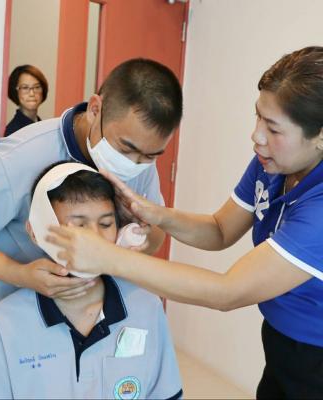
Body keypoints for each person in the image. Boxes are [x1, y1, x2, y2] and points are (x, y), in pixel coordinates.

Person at [45, 46, 323, 399]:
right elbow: (220, 229)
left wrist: (108, 257)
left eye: (273, 128)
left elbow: (228, 292)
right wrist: (155, 213)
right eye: (258, 116)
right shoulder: (273, 162)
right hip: (282, 339)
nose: (257, 136)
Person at [0, 58, 183, 361]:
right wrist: (20, 274)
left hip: (90, 317)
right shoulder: (19, 157)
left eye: (150, 156)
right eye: (126, 149)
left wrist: (135, 240)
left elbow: (155, 236)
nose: (134, 164)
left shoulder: (139, 163)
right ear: (95, 108)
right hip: (13, 313)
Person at [0, 163, 183, 400]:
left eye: (105, 224)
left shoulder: (146, 307)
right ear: (35, 231)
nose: (95, 240)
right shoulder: (2, 325)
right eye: (79, 226)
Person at [4, 64, 48, 136]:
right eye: (25, 88)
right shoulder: (13, 132)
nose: (32, 93)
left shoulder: (43, 127)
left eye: (37, 87)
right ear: (15, 92)